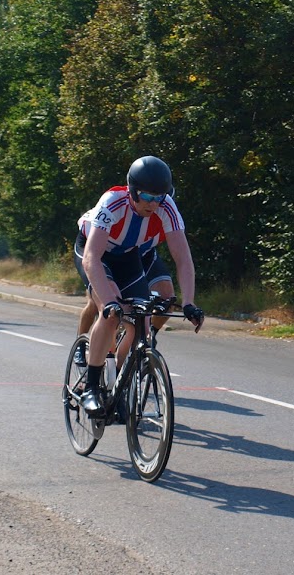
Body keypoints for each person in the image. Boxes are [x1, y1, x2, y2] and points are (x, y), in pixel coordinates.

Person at [74, 156, 204, 415]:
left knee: (141, 322)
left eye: (160, 197)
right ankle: (91, 387)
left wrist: (189, 302)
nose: (153, 203)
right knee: (110, 314)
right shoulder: (113, 202)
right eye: (146, 196)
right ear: (133, 190)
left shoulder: (167, 207)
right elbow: (92, 258)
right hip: (96, 254)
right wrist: (110, 302)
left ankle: (119, 385)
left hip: (128, 256)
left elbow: (183, 259)